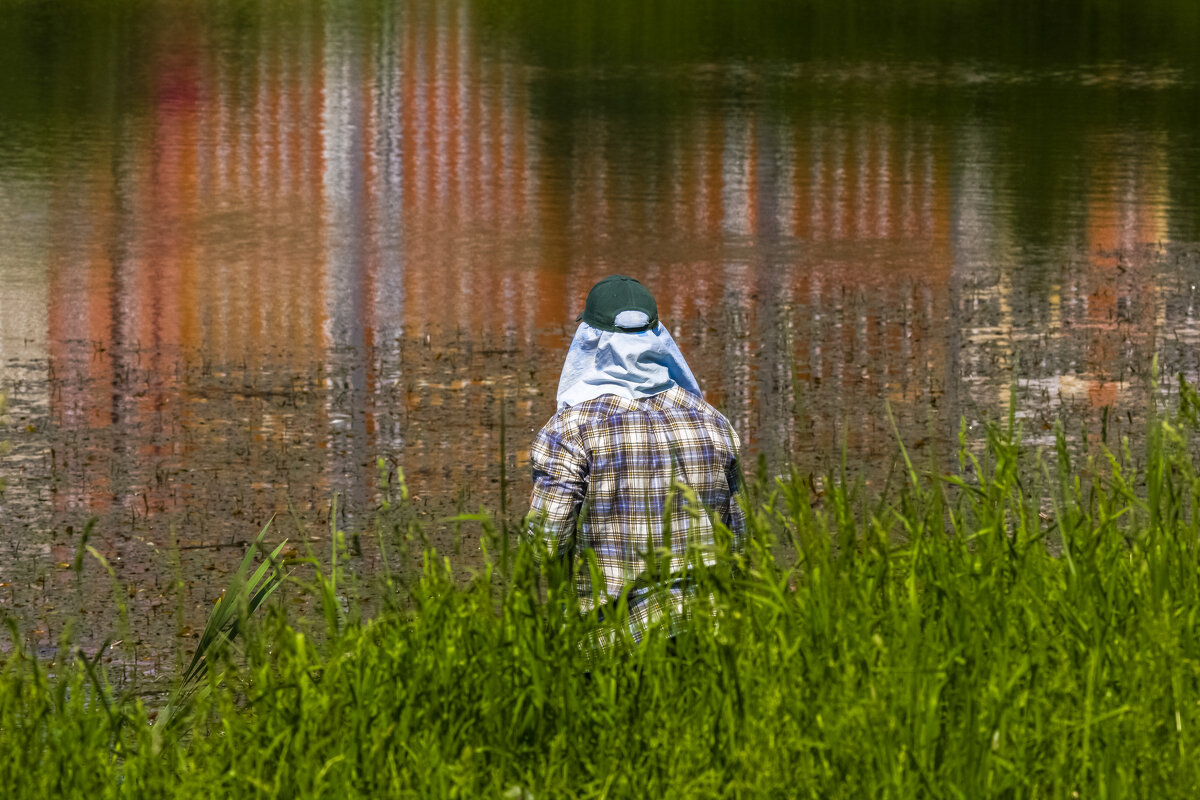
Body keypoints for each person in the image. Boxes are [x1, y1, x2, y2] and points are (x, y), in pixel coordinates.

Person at [526, 274, 745, 647]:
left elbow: (546, 544)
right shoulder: (713, 422)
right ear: (659, 340)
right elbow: (738, 542)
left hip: (613, 644)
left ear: (590, 343)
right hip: (708, 636)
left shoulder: (571, 430)